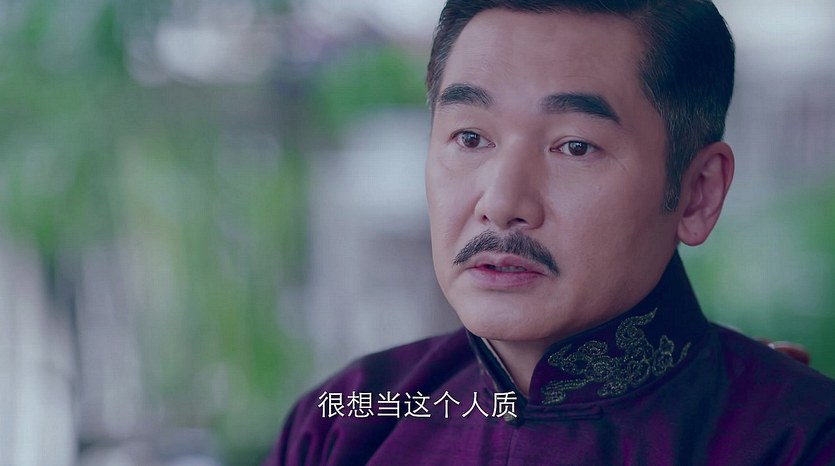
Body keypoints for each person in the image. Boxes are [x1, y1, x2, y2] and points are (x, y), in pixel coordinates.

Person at [267, 0, 835, 464]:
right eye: (470, 138)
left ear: (697, 193)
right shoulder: (344, 424)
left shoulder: (797, 440)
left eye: (575, 146)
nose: (501, 204)